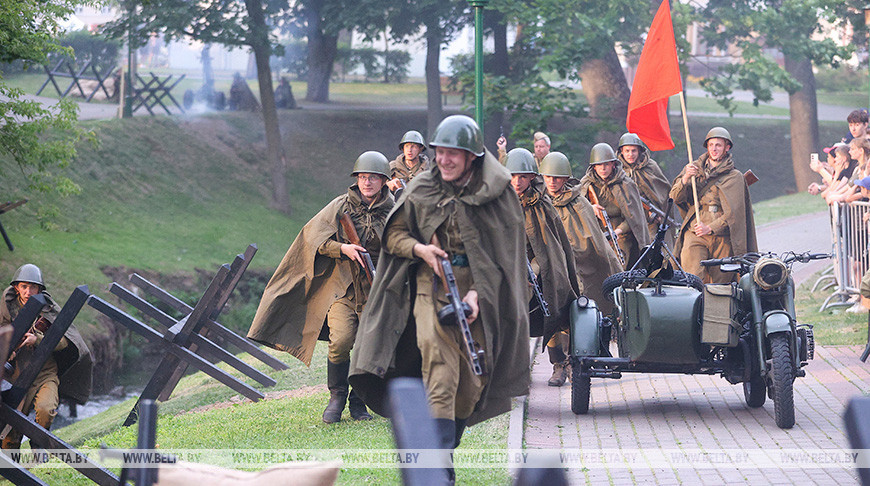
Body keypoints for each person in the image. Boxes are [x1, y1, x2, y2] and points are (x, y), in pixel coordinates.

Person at [348, 115, 530, 458]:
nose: (444, 160)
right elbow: (395, 235)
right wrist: (420, 249)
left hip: (482, 291)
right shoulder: (421, 188)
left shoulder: (498, 193)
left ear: (472, 157)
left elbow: (505, 256)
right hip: (429, 285)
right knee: (439, 364)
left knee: (470, 382)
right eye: (440, 152)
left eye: (453, 153)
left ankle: (445, 443)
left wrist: (478, 294)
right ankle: (438, 463)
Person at [247, 152, 395, 424]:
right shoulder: (341, 206)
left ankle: (358, 401)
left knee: (369, 347)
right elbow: (313, 238)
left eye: (373, 178)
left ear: (384, 181)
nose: (367, 183)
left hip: (378, 291)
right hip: (344, 290)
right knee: (341, 341)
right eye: (363, 177)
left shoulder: (395, 211)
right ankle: (336, 397)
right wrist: (343, 249)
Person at [506, 148, 580, 387]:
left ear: (531, 177)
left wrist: (533, 271)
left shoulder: (541, 204)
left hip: (540, 266)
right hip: (509, 268)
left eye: (523, 176)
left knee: (554, 308)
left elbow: (551, 247)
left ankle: (560, 363)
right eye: (513, 176)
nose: (517, 182)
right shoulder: (498, 202)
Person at [0, 264, 92, 450]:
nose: (28, 291)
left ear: (40, 288)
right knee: (11, 430)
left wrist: (38, 339)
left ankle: (39, 450)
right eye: (24, 286)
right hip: (14, 375)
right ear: (16, 287)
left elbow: (67, 341)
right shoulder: (5, 309)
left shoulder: (49, 309)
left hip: (45, 372)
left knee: (46, 410)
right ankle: (11, 471)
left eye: (32, 287)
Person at [669, 127, 757, 284]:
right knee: (692, 279)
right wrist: (685, 178)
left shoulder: (734, 177)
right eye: (711, 145)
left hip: (721, 237)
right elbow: (675, 196)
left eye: (718, 145)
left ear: (727, 147)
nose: (714, 149)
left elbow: (734, 214)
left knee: (719, 285)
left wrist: (710, 228)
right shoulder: (693, 168)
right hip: (695, 232)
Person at [540, 152, 623, 317]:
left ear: (565, 179)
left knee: (584, 312)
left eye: (556, 178)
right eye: (548, 177)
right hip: (549, 266)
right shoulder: (540, 203)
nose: (551, 182)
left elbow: (598, 243)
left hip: (581, 264)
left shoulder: (580, 203)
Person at [579, 143, 651, 269]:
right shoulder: (586, 184)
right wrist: (590, 209)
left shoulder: (626, 184)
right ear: (594, 167)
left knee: (619, 262)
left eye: (606, 164)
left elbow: (634, 218)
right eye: (599, 165)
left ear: (613, 164)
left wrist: (617, 231)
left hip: (621, 233)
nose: (603, 168)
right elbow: (576, 209)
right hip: (595, 231)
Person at [617, 132, 677, 247]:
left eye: (634, 150)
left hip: (649, 219)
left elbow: (662, 193)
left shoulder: (650, 167)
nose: (630, 154)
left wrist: (660, 212)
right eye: (627, 151)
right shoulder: (616, 170)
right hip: (625, 219)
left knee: (651, 250)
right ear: (621, 152)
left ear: (639, 151)